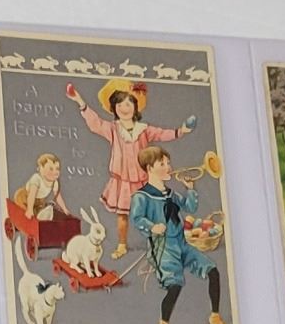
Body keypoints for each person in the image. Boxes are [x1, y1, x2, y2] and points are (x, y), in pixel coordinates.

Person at [65, 78, 193, 259]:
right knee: (122, 216)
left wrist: (181, 131)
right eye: (119, 104)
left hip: (142, 180)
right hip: (122, 181)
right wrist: (80, 101)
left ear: (135, 107)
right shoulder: (113, 129)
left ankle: (157, 243)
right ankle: (122, 245)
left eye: (128, 104)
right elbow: (95, 124)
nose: (124, 108)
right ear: (114, 108)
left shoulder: (144, 129)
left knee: (151, 213)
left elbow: (162, 134)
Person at [129, 146, 229, 324]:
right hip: (163, 248)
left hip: (181, 243)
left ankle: (215, 316)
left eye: (168, 163)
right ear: (149, 168)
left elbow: (190, 207)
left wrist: (190, 189)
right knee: (175, 285)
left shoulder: (170, 194)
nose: (168, 167)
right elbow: (137, 218)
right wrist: (152, 227)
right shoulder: (141, 196)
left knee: (213, 270)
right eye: (162, 164)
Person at [18, 152, 70, 221]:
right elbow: (32, 195)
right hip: (25, 198)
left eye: (57, 168)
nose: (55, 172)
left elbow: (58, 196)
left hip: (40, 201)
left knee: (41, 215)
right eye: (51, 169)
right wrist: (29, 209)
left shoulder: (55, 182)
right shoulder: (36, 178)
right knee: (24, 212)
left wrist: (64, 209)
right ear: (40, 169)